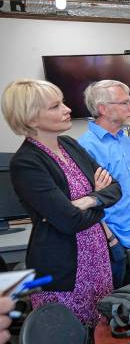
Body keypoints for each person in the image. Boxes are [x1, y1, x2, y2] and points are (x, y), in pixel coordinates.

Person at [2, 79, 122, 326]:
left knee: (101, 336)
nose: (67, 109)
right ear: (32, 118)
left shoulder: (69, 145)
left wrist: (87, 200)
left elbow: (115, 188)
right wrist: (97, 199)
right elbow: (70, 221)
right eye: (55, 106)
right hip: (64, 270)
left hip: (97, 259)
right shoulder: (26, 163)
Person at [78, 80, 130, 289]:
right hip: (114, 242)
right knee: (118, 309)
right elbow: (87, 201)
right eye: (125, 103)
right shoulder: (86, 147)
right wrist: (111, 240)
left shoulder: (125, 140)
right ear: (103, 109)